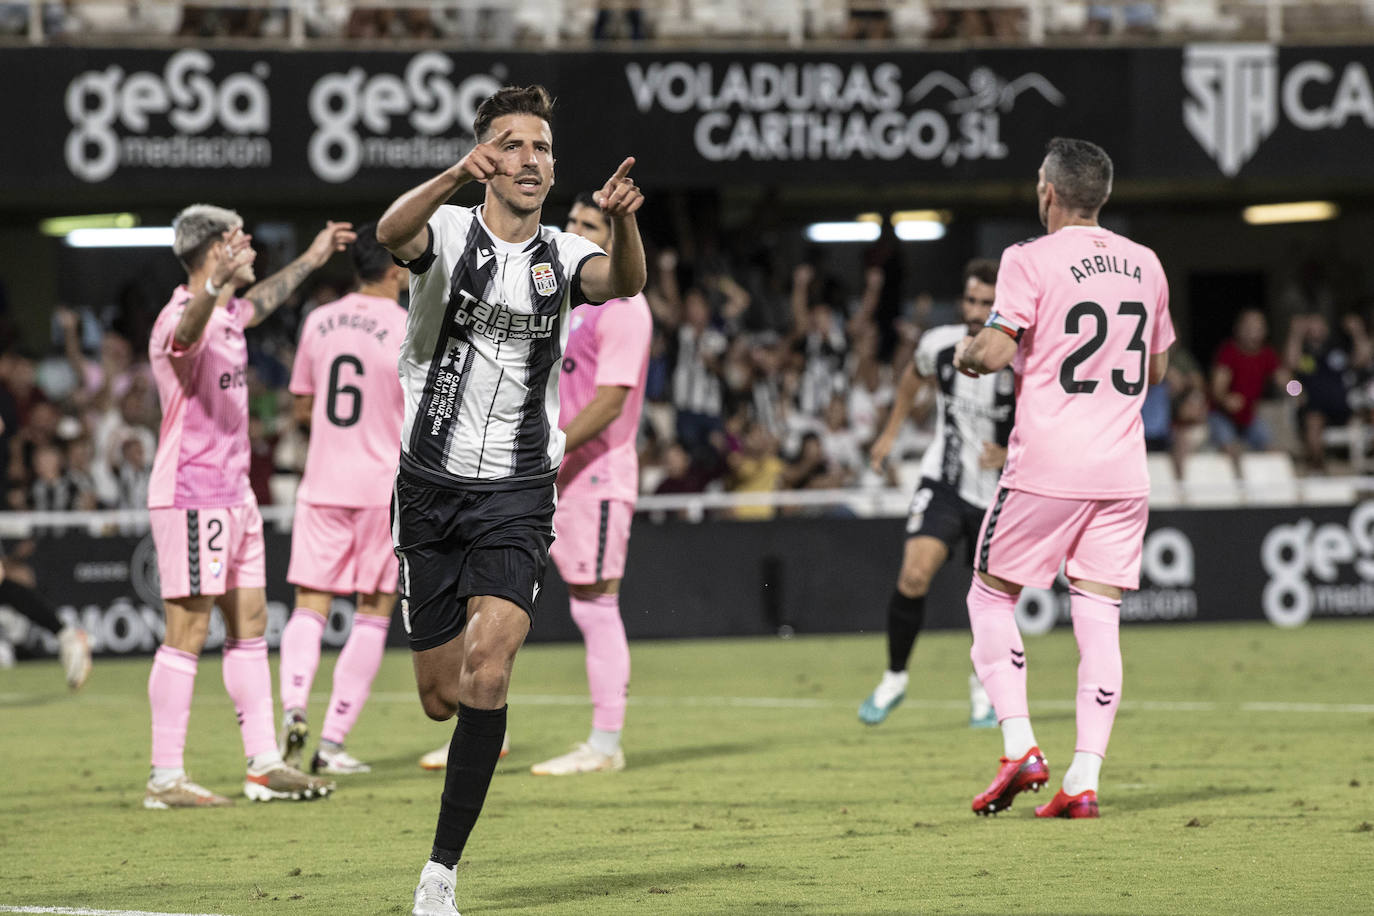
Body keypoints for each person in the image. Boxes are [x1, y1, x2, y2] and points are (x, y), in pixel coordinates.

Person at [375, 85, 646, 916]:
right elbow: (391, 234)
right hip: (428, 488)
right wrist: (455, 172)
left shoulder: (563, 256)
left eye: (543, 147)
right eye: (514, 145)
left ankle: (441, 872)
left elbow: (624, 283)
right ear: (487, 157)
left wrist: (626, 219)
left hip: (519, 491)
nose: (533, 160)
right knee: (440, 697)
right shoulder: (450, 232)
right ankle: (457, 736)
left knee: (489, 670)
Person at [953, 138, 1174, 819]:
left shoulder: (1027, 259)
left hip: (1048, 464)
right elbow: (1158, 372)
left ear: (1047, 190)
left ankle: (1018, 744)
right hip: (1123, 470)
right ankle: (1084, 779)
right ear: (1101, 195)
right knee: (1099, 615)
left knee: (990, 597)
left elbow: (994, 347)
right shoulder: (1146, 264)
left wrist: (966, 353)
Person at [143, 204, 353, 809]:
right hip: (191, 495)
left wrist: (313, 258)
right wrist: (210, 284)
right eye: (238, 238)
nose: (251, 243)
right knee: (185, 632)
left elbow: (256, 303)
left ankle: (262, 764)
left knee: (252, 627)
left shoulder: (230, 314)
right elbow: (186, 337)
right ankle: (165, 778)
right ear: (214, 251)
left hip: (236, 497)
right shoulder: (181, 316)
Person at [276, 223, 409, 776]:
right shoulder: (407, 325)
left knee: (310, 605)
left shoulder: (319, 320)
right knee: (373, 611)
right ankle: (330, 744)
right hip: (381, 489)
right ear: (398, 269)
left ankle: (292, 709)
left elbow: (302, 409)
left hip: (322, 483)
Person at [861, 258, 1012, 730]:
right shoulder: (940, 344)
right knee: (913, 575)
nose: (976, 309)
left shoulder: (1022, 359)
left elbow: (1049, 417)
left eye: (987, 303)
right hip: (944, 483)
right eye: (971, 300)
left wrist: (1010, 452)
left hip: (1000, 494)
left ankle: (982, 689)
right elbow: (911, 378)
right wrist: (889, 434)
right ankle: (895, 678)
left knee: (992, 600)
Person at [1208, 309, 1285, 459]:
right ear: (1238, 329)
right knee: (1230, 452)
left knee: (1273, 451)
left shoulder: (1267, 354)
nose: (1253, 332)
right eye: (1249, 327)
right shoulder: (1228, 352)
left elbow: (1284, 381)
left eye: (1258, 328)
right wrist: (1226, 399)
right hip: (1221, 416)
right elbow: (1217, 389)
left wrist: (1298, 392)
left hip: (1249, 417)